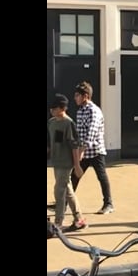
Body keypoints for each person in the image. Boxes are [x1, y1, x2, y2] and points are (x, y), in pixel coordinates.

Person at [70, 81, 113, 214]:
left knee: (101, 176)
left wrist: (82, 151)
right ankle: (64, 202)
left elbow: (91, 133)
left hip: (95, 151)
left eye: (77, 95)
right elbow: (79, 132)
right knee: (74, 176)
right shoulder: (80, 111)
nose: (75, 98)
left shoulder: (94, 111)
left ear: (86, 96)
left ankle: (108, 204)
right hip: (83, 151)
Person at [48, 95, 85, 232]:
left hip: (66, 163)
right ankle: (79, 219)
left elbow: (74, 146)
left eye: (55, 108)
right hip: (56, 162)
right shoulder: (52, 122)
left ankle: (58, 222)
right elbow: (53, 142)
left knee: (59, 191)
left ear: (62, 108)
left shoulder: (68, 124)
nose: (52, 110)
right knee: (68, 190)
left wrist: (77, 165)